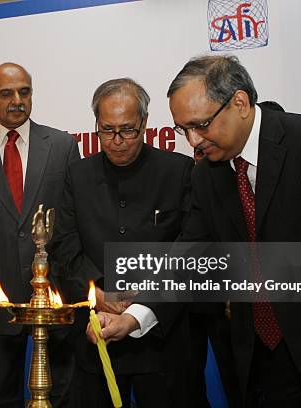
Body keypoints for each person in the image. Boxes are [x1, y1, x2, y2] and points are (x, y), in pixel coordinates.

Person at [166, 55, 301, 407]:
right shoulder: (207, 174)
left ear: (239, 102)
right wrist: (135, 305)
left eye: (201, 124)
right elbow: (191, 251)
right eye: (183, 129)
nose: (193, 140)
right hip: (254, 363)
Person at [49, 78, 198, 407]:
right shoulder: (79, 175)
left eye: (127, 130)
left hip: (163, 341)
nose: (117, 141)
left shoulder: (179, 171)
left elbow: (188, 251)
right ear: (96, 125)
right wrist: (98, 293)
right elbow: (65, 246)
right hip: (96, 335)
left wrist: (140, 307)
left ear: (144, 123)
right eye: (107, 130)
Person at [0, 62, 80, 407]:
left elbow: (73, 222)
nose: (17, 100)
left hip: (55, 294)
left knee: (61, 393)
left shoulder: (62, 145)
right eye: (6, 93)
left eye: (24, 92)